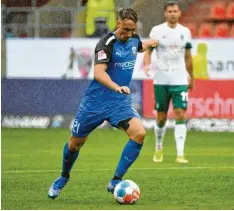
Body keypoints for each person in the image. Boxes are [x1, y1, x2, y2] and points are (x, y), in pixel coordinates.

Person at [48, 8, 158, 199]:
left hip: (119, 104)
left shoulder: (133, 39)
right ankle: (63, 177)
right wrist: (116, 87)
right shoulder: (106, 43)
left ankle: (116, 180)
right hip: (95, 103)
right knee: (75, 144)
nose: (128, 34)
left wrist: (152, 43)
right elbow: (98, 73)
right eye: (125, 29)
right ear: (117, 23)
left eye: (131, 30)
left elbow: (139, 46)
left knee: (139, 133)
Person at [143, 1, 194, 164]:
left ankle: (180, 153)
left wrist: (191, 76)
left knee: (180, 113)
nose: (173, 14)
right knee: (161, 117)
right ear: (165, 13)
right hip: (161, 80)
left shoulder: (185, 32)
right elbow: (148, 51)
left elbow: (187, 56)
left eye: (175, 11)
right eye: (170, 11)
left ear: (179, 13)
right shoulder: (157, 31)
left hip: (179, 79)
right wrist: (146, 64)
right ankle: (158, 147)